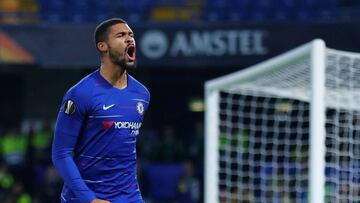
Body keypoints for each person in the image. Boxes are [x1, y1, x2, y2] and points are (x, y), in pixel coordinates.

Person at [52, 18, 150, 203]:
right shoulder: (80, 93)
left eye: (131, 35)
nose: (130, 39)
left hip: (129, 196)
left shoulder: (142, 94)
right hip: (84, 198)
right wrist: (90, 199)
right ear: (103, 46)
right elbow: (61, 153)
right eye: (121, 35)